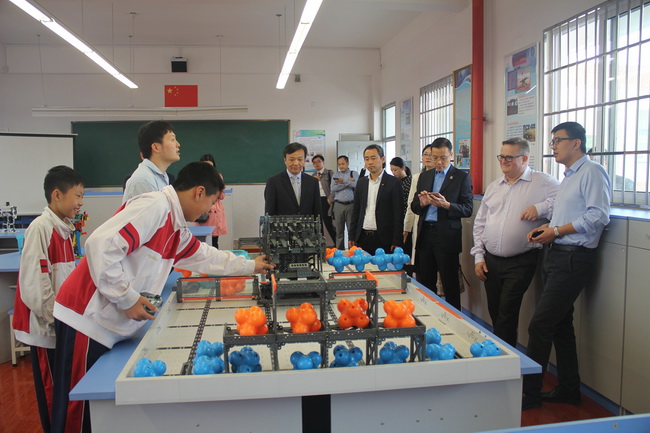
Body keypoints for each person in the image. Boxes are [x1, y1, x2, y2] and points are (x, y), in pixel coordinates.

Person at [51, 162, 274, 433]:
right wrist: (127, 298)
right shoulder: (155, 207)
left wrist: (250, 265)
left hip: (107, 323)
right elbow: (100, 245)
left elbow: (204, 257)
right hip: (86, 318)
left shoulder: (176, 225)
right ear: (198, 192)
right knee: (80, 413)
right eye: (212, 201)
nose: (210, 210)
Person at [522, 122, 611, 410]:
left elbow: (598, 215)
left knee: (540, 325)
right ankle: (569, 388)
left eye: (558, 140)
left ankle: (529, 395)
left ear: (576, 143)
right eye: (552, 141)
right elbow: (567, 216)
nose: (553, 146)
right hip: (556, 253)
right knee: (560, 324)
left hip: (574, 257)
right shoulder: (568, 176)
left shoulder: (592, 171)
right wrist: (547, 228)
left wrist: (557, 231)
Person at [11, 166, 84, 433]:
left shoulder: (63, 229)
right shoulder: (40, 228)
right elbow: (35, 287)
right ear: (57, 195)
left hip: (59, 324)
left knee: (62, 390)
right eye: (77, 196)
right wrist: (56, 320)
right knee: (52, 393)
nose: (80, 203)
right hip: (46, 327)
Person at [471, 138, 559, 347]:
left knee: (507, 312)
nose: (503, 161)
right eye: (501, 156)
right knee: (495, 310)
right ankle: (503, 350)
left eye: (509, 157)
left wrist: (541, 208)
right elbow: (480, 223)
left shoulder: (544, 182)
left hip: (521, 260)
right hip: (491, 261)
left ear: (525, 158)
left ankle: (504, 356)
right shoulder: (494, 186)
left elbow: (565, 202)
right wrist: (478, 256)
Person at [410, 137, 473, 311]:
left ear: (451, 155)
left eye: (443, 158)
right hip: (425, 234)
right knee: (425, 283)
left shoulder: (461, 177)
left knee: (450, 284)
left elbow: (468, 209)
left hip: (446, 236)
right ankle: (428, 316)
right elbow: (414, 206)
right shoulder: (425, 176)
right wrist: (422, 203)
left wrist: (447, 205)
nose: (438, 162)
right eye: (434, 157)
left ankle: (455, 319)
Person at [349, 144, 403, 254]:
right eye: (366, 159)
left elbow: (398, 213)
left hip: (384, 239)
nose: (370, 162)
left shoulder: (394, 183)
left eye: (373, 158)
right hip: (362, 237)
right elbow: (356, 211)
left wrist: (397, 240)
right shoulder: (361, 182)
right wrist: (352, 235)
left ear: (383, 159)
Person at [123, 120, 181, 203]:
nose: (178, 144)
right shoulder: (144, 181)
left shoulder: (160, 176)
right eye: (172, 139)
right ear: (156, 147)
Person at [403, 145, 436, 276]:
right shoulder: (417, 177)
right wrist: (407, 227)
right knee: (421, 262)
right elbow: (411, 203)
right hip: (419, 221)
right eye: (425, 154)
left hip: (437, 225)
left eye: (431, 154)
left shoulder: (442, 177)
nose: (428, 157)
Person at [264, 142, 321, 217]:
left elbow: (318, 211)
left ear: (304, 160)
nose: (296, 163)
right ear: (285, 160)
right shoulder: (273, 182)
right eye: (291, 159)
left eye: (300, 159)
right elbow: (269, 213)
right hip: (283, 224)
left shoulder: (313, 182)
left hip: (307, 224)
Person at [197, 154, 227, 248]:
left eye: (210, 166)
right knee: (201, 242)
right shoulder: (196, 177)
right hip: (203, 211)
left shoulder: (218, 177)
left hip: (215, 211)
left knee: (214, 241)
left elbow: (221, 196)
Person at [330, 155, 358, 250]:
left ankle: (352, 251)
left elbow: (356, 185)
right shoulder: (335, 175)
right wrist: (347, 183)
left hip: (351, 205)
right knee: (339, 231)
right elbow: (333, 188)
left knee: (351, 231)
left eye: (343, 164)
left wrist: (342, 181)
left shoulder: (354, 174)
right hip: (338, 205)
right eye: (339, 164)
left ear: (348, 163)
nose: (341, 166)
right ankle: (340, 252)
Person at [390, 157, 412, 260]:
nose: (393, 173)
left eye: (395, 170)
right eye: (391, 170)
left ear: (402, 168)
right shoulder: (394, 182)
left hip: (406, 217)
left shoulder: (409, 181)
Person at [311, 154, 336, 246]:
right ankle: (320, 245)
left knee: (329, 223)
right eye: (314, 163)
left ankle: (337, 244)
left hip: (327, 200)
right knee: (318, 222)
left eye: (319, 161)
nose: (317, 164)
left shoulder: (329, 173)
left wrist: (330, 199)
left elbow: (335, 187)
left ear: (323, 162)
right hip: (317, 200)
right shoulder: (313, 175)